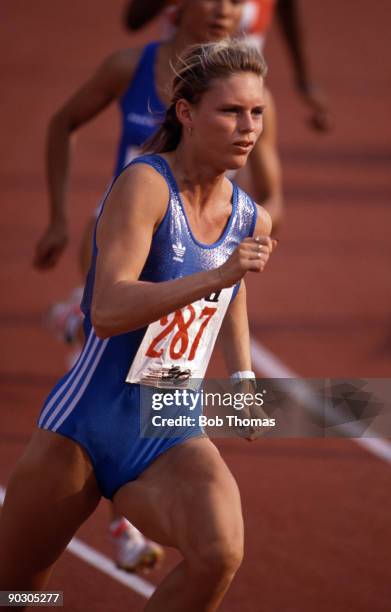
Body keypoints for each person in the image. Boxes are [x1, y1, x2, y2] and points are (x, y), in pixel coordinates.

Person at [0, 39, 277, 610]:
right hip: (83, 426)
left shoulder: (250, 214)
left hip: (169, 425)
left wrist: (244, 377)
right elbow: (106, 310)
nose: (247, 127)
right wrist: (217, 275)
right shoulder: (145, 186)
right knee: (22, 593)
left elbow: (233, 290)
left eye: (256, 113)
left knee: (219, 553)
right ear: (186, 113)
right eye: (230, 111)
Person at [124, 0, 332, 131]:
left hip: (239, 98)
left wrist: (304, 81)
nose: (224, 11)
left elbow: (289, 14)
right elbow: (133, 19)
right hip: (172, 90)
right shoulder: (126, 65)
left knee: (234, 179)